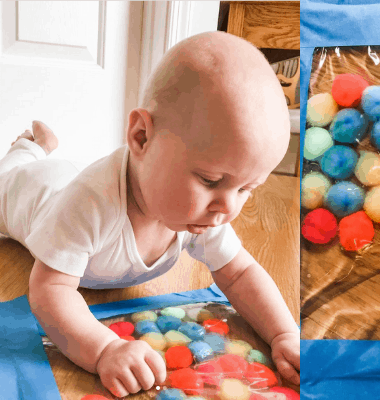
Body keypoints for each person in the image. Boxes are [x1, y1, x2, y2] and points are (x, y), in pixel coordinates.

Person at [1, 31, 299, 397]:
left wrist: (285, 334)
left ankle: (36, 150)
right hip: (33, 196)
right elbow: (50, 289)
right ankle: (27, 149)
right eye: (210, 179)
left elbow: (239, 274)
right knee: (11, 179)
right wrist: (105, 349)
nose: (228, 207)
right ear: (141, 136)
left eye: (245, 189)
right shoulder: (89, 204)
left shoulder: (207, 211)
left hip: (68, 181)